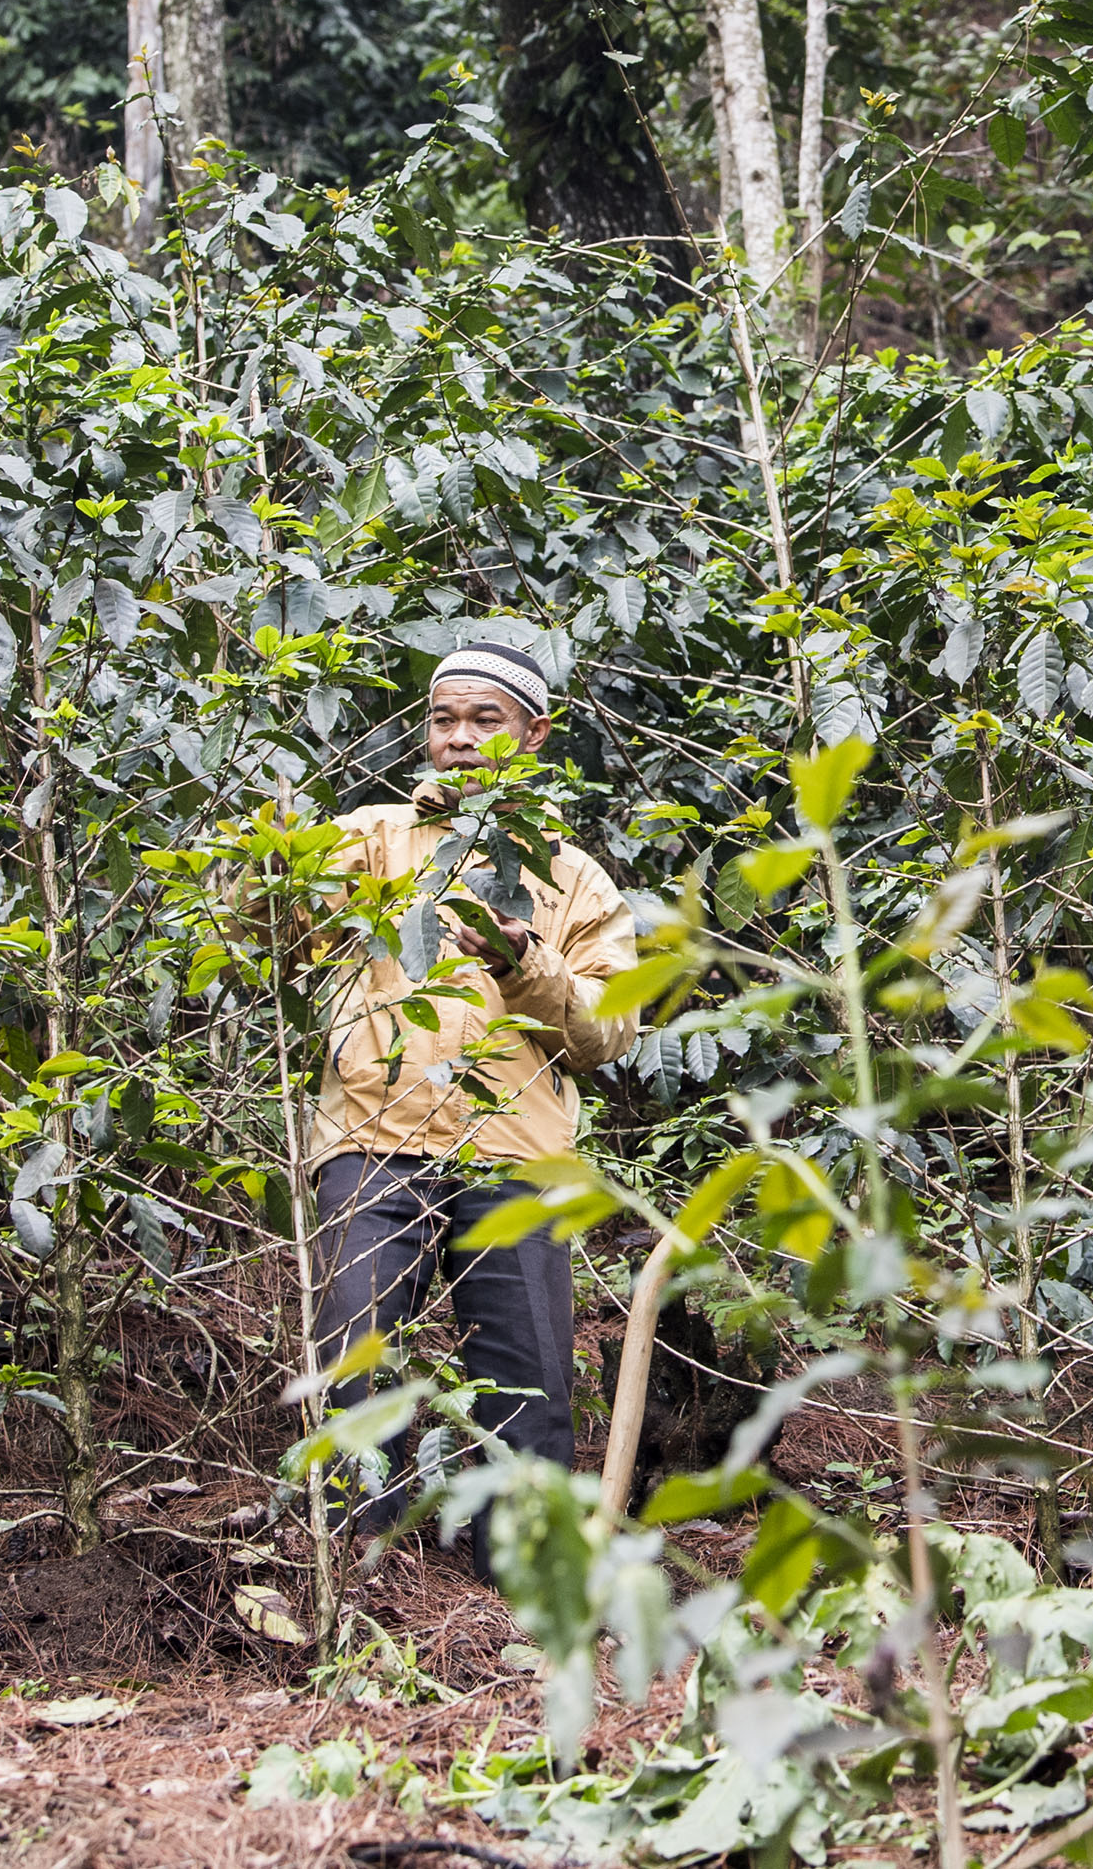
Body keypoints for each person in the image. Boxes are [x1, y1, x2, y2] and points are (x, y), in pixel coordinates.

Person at [305, 635, 640, 1557]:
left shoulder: (574, 879)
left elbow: (607, 1031)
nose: (458, 738)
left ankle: (523, 1590)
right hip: (374, 1136)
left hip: (516, 1155)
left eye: (483, 719)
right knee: (354, 1372)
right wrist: (262, 868)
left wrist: (523, 959)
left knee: (526, 1384)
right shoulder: (368, 839)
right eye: (443, 719)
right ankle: (357, 1585)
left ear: (532, 735)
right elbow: (264, 929)